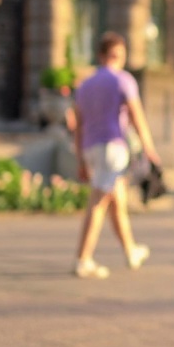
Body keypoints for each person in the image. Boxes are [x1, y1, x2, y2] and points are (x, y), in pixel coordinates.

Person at [72, 32, 162, 278]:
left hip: (91, 148)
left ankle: (130, 250)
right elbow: (137, 117)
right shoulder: (123, 80)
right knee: (99, 203)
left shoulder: (85, 86)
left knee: (117, 203)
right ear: (117, 56)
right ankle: (83, 259)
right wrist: (149, 148)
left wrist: (80, 158)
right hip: (113, 147)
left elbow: (78, 126)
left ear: (100, 55)